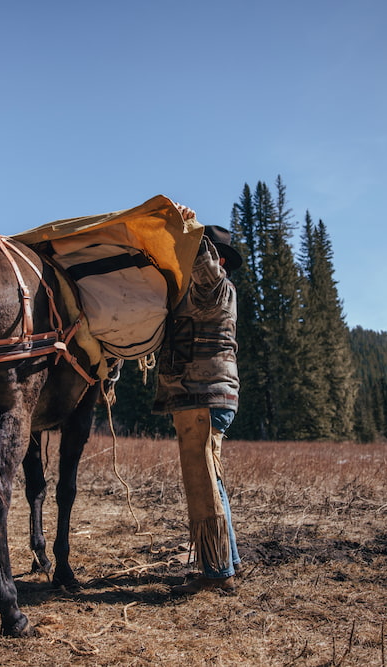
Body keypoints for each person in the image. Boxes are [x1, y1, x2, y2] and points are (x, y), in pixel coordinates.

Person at [154, 216, 243, 595]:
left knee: (202, 481)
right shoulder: (213, 291)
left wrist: (188, 231)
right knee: (213, 479)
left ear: (216, 259)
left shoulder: (214, 286)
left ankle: (217, 571)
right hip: (205, 395)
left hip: (202, 396)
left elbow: (202, 262)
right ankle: (228, 560)